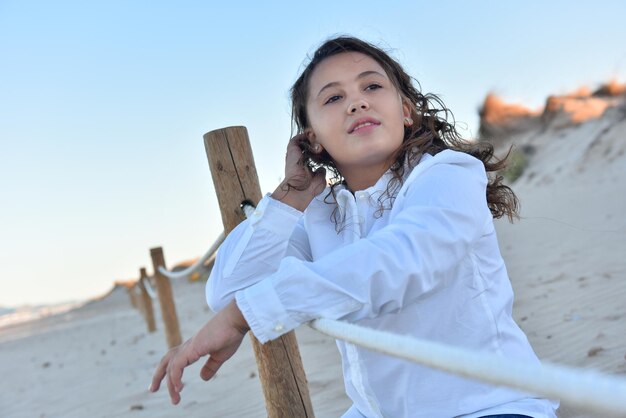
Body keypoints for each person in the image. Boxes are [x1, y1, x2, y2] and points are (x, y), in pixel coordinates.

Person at [150, 36, 559, 418]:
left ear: (405, 110)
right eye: (333, 97)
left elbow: (399, 261)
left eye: (372, 88)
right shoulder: (321, 213)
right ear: (312, 138)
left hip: (489, 406)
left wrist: (245, 317)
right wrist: (288, 198)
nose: (356, 103)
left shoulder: (448, 175)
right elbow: (226, 289)